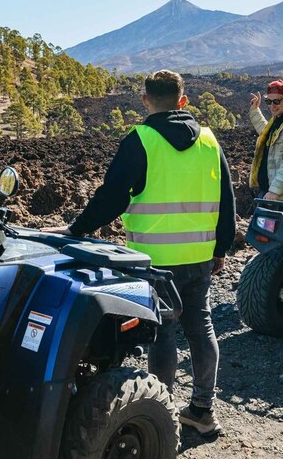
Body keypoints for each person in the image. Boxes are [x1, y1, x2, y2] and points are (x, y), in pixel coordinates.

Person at [44, 70, 236, 437]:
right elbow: (226, 201)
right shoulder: (210, 141)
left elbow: (112, 195)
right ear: (183, 100)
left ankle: (160, 412)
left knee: (163, 336)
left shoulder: (141, 139)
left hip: (152, 261)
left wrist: (76, 230)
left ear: (145, 100)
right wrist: (221, 248)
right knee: (202, 329)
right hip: (198, 258)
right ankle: (202, 410)